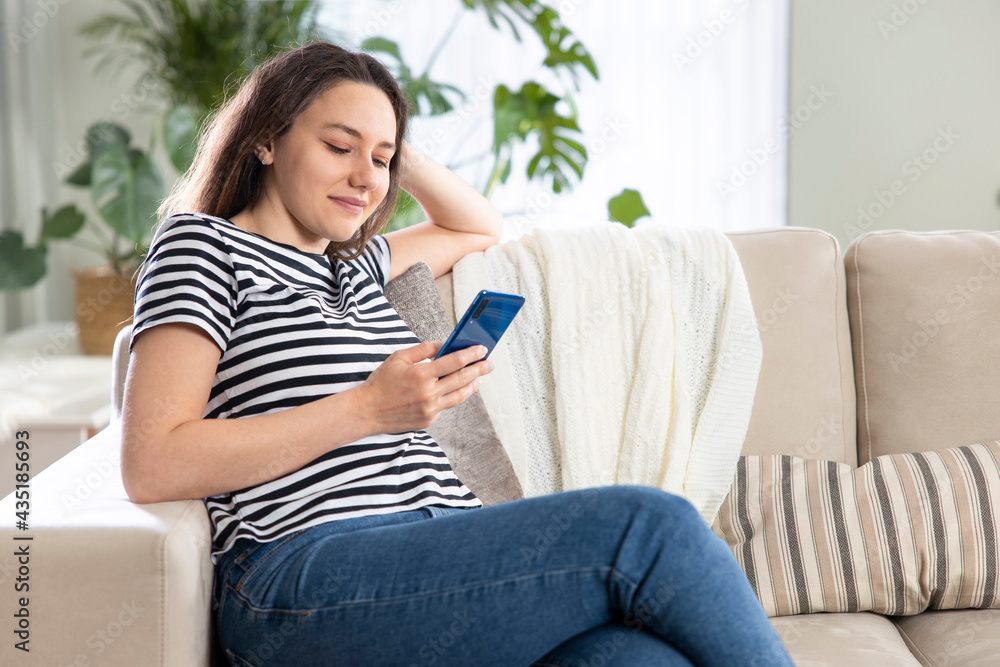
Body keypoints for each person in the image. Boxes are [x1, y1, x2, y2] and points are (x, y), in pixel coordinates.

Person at [120, 41, 793, 667]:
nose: (364, 178)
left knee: (637, 657)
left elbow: (477, 225)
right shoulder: (202, 247)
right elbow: (153, 461)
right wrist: (365, 408)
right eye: (337, 145)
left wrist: (388, 146)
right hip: (302, 574)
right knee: (651, 525)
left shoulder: (358, 264)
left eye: (380, 159)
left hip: (435, 550)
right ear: (266, 138)